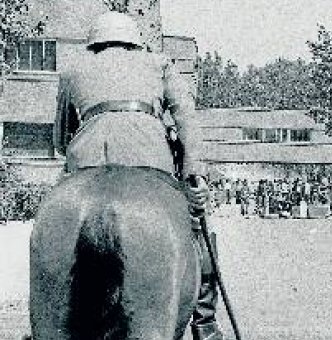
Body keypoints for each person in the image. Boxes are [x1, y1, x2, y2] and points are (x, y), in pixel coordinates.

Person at [53, 12, 222, 340]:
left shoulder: (73, 68)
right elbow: (187, 119)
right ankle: (205, 323)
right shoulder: (158, 63)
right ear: (135, 41)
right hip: (150, 161)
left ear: (94, 42)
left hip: (85, 161)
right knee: (198, 227)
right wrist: (193, 175)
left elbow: (60, 139)